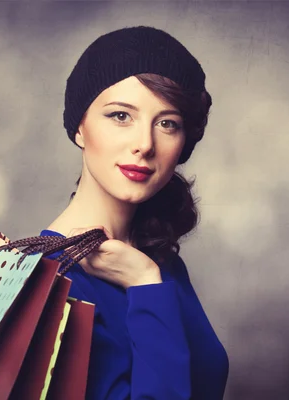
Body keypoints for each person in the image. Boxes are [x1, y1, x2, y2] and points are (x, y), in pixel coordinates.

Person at [40, 26, 229, 399]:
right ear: (79, 126)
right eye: (121, 116)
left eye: (167, 123)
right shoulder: (50, 284)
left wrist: (147, 278)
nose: (144, 144)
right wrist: (144, 286)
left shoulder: (159, 263)